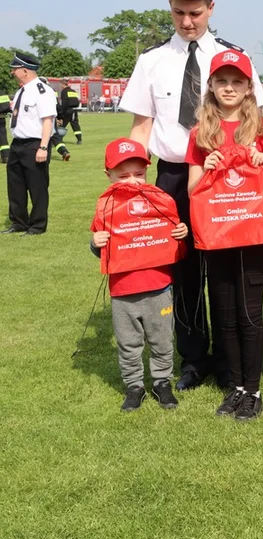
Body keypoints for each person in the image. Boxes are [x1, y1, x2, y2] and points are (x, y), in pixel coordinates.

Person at [120, 0, 263, 391]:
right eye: (180, 11)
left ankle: (229, 361)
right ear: (170, 7)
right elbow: (141, 127)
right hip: (171, 176)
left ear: (211, 8)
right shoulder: (151, 61)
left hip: (228, 179)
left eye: (196, 12)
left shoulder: (233, 58)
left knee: (223, 270)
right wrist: (133, 183)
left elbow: (253, 118)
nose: (188, 21)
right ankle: (193, 357)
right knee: (181, 271)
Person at [186, 51, 263, 421]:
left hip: (252, 230)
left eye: (237, 82)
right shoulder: (201, 132)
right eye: (222, 81)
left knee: (250, 313)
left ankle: (254, 389)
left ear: (248, 88)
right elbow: (193, 190)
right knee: (224, 313)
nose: (229, 88)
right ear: (211, 85)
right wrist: (207, 167)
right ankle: (236, 387)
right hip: (219, 232)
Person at [91, 138, 187, 412]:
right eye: (123, 176)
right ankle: (134, 386)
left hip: (159, 286)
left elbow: (174, 246)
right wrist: (95, 242)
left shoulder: (160, 201)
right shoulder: (107, 206)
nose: (132, 181)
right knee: (129, 343)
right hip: (123, 291)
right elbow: (104, 250)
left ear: (148, 170)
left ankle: (162, 383)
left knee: (162, 340)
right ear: (108, 175)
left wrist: (181, 235)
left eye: (139, 174)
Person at [4, 52, 56, 235]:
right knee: (15, 185)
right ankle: (18, 222)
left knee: (37, 186)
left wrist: (43, 147)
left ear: (25, 70)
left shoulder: (42, 90)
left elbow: (48, 120)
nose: (13, 73)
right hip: (18, 144)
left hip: (35, 144)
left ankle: (37, 225)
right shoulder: (21, 90)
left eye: (15, 69)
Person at [58, 79, 83, 144]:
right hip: (74, 110)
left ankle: (59, 139)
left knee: (62, 125)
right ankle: (79, 139)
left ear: (63, 84)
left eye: (61, 85)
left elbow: (64, 102)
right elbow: (77, 101)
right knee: (75, 125)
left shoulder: (64, 91)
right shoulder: (73, 91)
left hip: (67, 110)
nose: (60, 86)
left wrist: (61, 112)